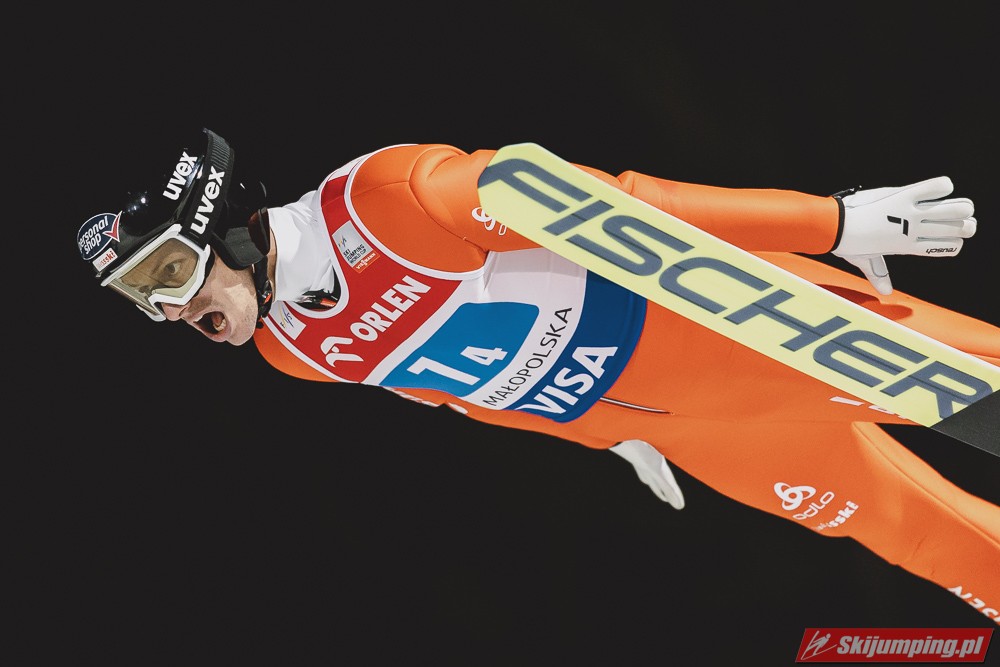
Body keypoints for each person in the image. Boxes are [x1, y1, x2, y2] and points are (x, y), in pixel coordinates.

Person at [76, 127, 999, 625]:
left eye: (171, 272)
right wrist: (607, 434)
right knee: (930, 539)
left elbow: (624, 204)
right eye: (144, 297)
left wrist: (831, 221)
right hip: (679, 423)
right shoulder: (291, 348)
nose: (172, 309)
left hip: (717, 330)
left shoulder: (391, 200)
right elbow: (456, 392)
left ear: (224, 227)